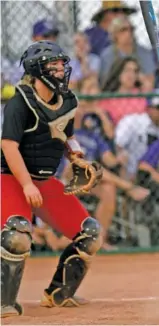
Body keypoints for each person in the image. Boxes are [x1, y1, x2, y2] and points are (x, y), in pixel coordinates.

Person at [0, 41, 103, 318]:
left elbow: (65, 134)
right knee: (16, 235)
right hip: (10, 179)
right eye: (52, 66)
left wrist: (76, 155)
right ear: (36, 70)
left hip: (43, 181)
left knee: (89, 233)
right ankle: (4, 303)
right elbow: (8, 146)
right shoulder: (20, 101)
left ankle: (59, 293)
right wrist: (26, 185)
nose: (60, 70)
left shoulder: (67, 99)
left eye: (61, 65)